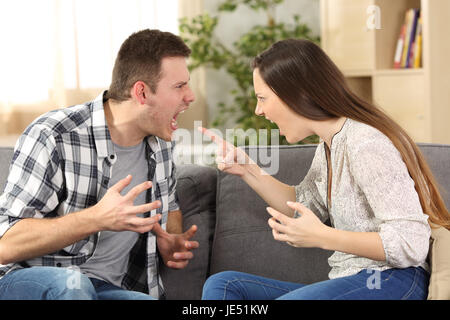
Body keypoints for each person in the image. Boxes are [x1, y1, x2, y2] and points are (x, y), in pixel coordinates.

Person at [200, 39, 450, 300]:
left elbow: (411, 242)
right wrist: (248, 170)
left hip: (392, 279)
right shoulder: (329, 146)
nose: (258, 110)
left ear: (295, 94)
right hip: (351, 281)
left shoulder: (365, 144)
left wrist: (324, 237)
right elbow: (302, 206)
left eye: (262, 98)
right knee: (224, 286)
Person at [0, 29, 199, 300]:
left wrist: (169, 237)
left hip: (107, 288)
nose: (191, 96)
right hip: (31, 280)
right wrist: (96, 219)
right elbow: (5, 244)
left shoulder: (162, 144)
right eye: (179, 86)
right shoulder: (55, 136)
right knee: (74, 287)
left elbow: (171, 207)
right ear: (141, 92)